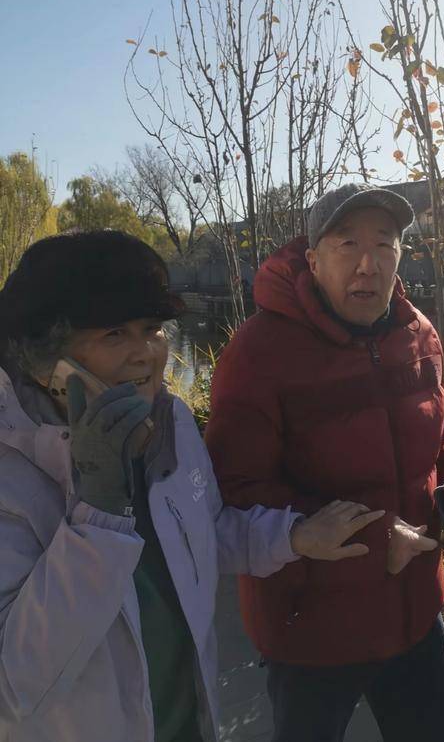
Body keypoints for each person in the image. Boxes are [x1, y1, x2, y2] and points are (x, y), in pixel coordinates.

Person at [0, 230, 384, 742]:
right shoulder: (11, 475)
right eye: (114, 334)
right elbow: (12, 687)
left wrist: (294, 536)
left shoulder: (170, 423)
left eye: (152, 329)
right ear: (48, 361)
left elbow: (203, 534)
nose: (145, 353)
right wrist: (97, 511)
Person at [205, 184, 444, 742]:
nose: (367, 264)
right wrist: (379, 538)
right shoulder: (259, 353)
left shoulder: (417, 334)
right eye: (347, 243)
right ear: (312, 260)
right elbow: (238, 489)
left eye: (384, 243)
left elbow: (440, 437)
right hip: (312, 629)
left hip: (413, 613)